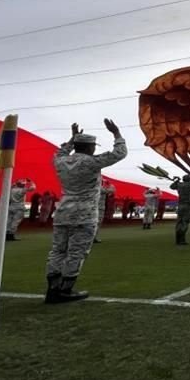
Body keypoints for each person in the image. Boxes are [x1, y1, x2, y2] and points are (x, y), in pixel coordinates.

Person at [46, 120, 127, 303]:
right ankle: (65, 290)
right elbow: (119, 153)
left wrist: (71, 138)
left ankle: (52, 289)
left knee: (58, 251)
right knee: (76, 252)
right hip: (85, 214)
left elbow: (61, 151)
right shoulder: (92, 162)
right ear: (90, 147)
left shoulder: (60, 161)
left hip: (63, 212)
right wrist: (116, 133)